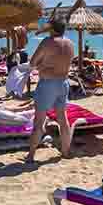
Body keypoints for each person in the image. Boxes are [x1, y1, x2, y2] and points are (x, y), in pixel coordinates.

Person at [26, 15, 74, 162]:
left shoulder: (47, 42)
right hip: (63, 82)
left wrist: (42, 65)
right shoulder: (70, 43)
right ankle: (66, 152)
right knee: (63, 119)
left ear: (52, 28)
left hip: (48, 83)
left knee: (39, 121)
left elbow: (32, 63)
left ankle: (31, 155)